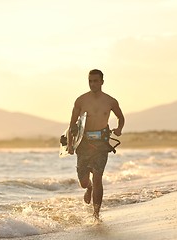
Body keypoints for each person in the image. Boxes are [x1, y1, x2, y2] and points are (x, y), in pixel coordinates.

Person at [68, 69, 125, 219]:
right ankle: (89, 188)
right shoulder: (80, 100)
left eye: (95, 81)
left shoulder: (110, 101)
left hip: (101, 143)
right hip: (83, 143)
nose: (92, 84)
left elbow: (121, 117)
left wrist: (119, 129)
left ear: (102, 82)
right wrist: (69, 144)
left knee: (98, 176)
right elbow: (72, 124)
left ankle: (96, 214)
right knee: (83, 181)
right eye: (90, 81)